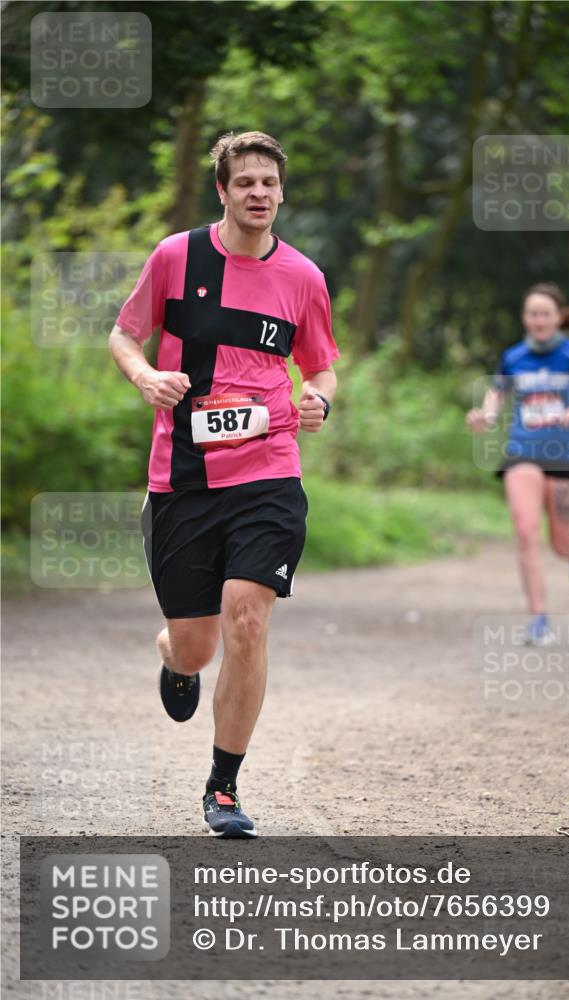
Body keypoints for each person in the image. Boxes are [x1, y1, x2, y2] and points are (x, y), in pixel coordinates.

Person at [108, 131, 339, 836]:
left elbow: (321, 365)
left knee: (247, 616)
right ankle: (171, 655)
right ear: (223, 190)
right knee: (197, 645)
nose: (260, 194)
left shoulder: (302, 276)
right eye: (246, 183)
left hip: (268, 469)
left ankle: (224, 788)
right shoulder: (177, 257)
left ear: (281, 190)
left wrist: (318, 400)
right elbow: (124, 334)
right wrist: (146, 376)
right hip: (182, 475)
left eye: (269, 182)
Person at [466, 283, 569, 644]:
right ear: (525, 318)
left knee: (560, 543)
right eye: (532, 314)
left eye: (545, 314)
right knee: (526, 532)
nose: (538, 320)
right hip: (523, 452)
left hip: (568, 458)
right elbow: (496, 395)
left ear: (558, 317)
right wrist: (486, 417)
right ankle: (538, 619)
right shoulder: (513, 357)